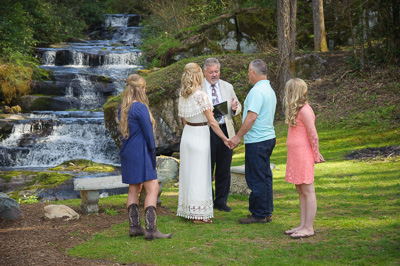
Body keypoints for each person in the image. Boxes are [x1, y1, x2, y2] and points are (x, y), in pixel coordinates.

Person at [119, 74, 172, 240]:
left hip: (128, 151)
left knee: (134, 188)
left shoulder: (125, 107)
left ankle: (134, 227)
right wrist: (152, 152)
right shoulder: (140, 108)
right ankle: (151, 229)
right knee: (153, 188)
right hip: (140, 151)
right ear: (142, 89)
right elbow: (149, 135)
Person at [177, 62, 231, 223]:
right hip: (200, 134)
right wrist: (225, 139)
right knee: (200, 174)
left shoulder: (183, 94)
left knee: (189, 173)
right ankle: (198, 215)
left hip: (187, 135)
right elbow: (213, 122)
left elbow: (184, 120)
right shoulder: (201, 95)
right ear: (198, 75)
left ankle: (188, 209)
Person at [230, 59, 277, 224]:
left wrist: (238, 136)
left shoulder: (257, 92)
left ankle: (259, 214)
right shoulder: (269, 89)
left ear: (254, 73)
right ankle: (266, 211)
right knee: (265, 177)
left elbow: (252, 117)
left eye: (249, 71)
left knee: (256, 178)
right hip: (268, 137)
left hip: (258, 140)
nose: (248, 75)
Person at [283, 78, 324, 239]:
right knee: (300, 190)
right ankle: (302, 224)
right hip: (295, 155)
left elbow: (313, 134)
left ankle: (309, 227)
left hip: (303, 154)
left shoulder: (306, 110)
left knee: (307, 189)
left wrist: (316, 153)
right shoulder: (296, 110)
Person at [200, 57, 242, 212]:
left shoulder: (227, 86)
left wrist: (233, 108)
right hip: (206, 130)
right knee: (207, 167)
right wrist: (216, 112)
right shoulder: (198, 88)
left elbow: (238, 107)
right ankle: (208, 200)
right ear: (204, 72)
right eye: (211, 72)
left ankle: (221, 201)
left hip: (225, 130)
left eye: (216, 71)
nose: (214, 74)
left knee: (224, 167)